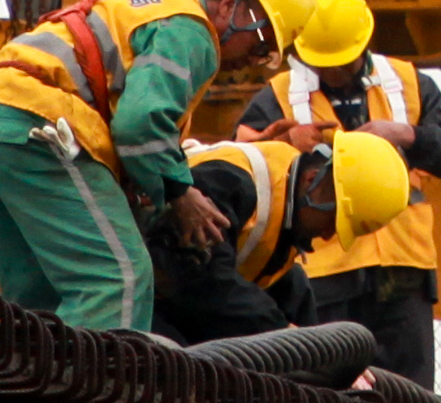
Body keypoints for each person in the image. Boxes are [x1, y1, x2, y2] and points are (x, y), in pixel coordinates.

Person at [0, 0, 316, 333]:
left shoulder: (152, 12)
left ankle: (29, 388)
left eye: (267, 57)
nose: (252, 61)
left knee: (44, 301)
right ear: (229, 4)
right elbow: (139, 125)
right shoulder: (193, 33)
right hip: (37, 126)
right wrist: (179, 193)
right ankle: (96, 394)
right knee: (117, 280)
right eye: (259, 44)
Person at [267, 0, 441, 385]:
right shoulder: (280, 95)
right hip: (328, 274)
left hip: (402, 269)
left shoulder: (407, 83)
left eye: (341, 62)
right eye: (323, 64)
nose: (332, 72)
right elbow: (246, 161)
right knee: (331, 395)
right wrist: (284, 143)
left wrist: (407, 135)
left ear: (362, 44)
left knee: (412, 401)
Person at [152, 129, 413, 344]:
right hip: (139, 300)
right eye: (332, 220)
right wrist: (284, 334)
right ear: (313, 180)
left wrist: (328, 359)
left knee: (294, 284)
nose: (326, 234)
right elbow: (203, 279)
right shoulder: (232, 180)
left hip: (172, 306)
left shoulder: (281, 232)